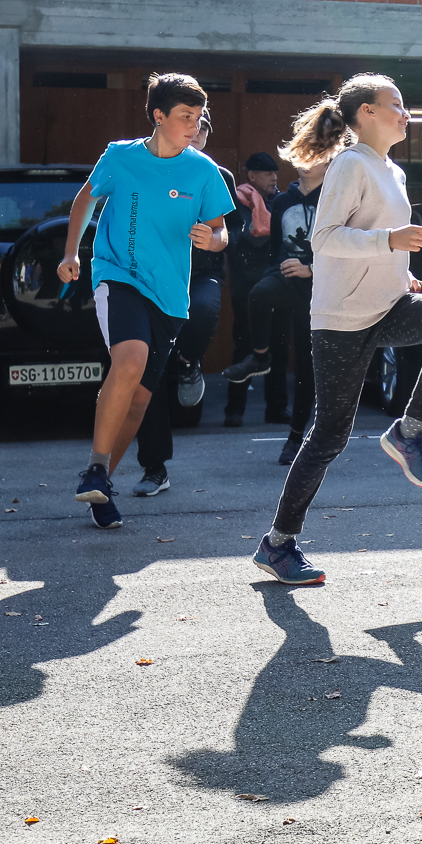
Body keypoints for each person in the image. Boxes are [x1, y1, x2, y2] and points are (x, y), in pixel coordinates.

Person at [250, 74, 422, 586]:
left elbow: (380, 241)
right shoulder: (350, 164)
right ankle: (278, 544)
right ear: (367, 113)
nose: (406, 113)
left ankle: (409, 431)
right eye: (396, 104)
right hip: (341, 320)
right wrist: (390, 241)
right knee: (329, 436)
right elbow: (326, 238)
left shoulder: (392, 171)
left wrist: (404, 273)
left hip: (389, 305)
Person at [57, 74, 234, 528]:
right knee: (130, 360)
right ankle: (97, 466)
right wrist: (70, 253)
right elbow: (84, 201)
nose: (194, 126)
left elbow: (221, 232)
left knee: (139, 402)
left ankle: (100, 484)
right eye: (186, 117)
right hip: (118, 275)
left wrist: (212, 240)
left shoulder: (204, 170)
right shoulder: (120, 157)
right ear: (158, 115)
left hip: (170, 295)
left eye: (198, 117)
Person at [131, 114, 243, 497]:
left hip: (202, 273)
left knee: (204, 311)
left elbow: (233, 229)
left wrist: (216, 239)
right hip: (155, 278)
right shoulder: (148, 169)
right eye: (189, 125)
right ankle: (154, 468)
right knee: (150, 370)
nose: (195, 133)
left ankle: (188, 361)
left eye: (202, 128)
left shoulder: (217, 175)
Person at [261, 154, 328, 466]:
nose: (307, 161)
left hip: (320, 292)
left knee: (306, 364)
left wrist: (310, 268)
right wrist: (274, 277)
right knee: (276, 352)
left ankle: (297, 436)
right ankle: (275, 408)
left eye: (316, 156)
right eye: (304, 153)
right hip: (286, 285)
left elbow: (343, 249)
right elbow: (276, 248)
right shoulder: (281, 201)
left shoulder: (334, 199)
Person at [221, 151, 281, 428]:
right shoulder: (239, 201)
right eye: (268, 173)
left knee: (277, 346)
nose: (274, 178)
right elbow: (247, 237)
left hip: (273, 284)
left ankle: (276, 409)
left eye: (275, 173)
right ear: (252, 176)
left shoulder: (277, 202)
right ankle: (234, 411)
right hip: (246, 286)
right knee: (245, 347)